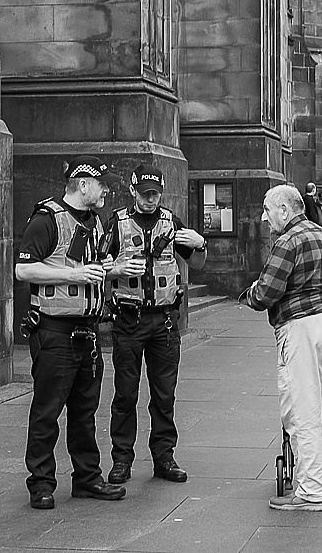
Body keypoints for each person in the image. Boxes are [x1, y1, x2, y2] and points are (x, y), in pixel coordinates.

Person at [15, 155, 127, 510]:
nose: (107, 190)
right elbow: (23, 270)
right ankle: (41, 484)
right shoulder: (47, 219)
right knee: (47, 411)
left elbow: (84, 266)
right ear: (83, 184)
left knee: (85, 411)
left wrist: (109, 269)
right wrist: (75, 276)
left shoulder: (95, 222)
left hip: (88, 332)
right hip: (54, 332)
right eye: (102, 184)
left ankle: (87, 478)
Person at [244, 185, 322, 511]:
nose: (264, 218)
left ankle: (310, 493)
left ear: (285, 211)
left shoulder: (288, 240)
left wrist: (247, 293)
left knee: (304, 416)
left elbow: (266, 293)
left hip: (306, 330)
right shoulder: (320, 233)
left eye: (267, 210)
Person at [104, 164, 206, 486]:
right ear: (133, 191)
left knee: (164, 395)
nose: (151, 200)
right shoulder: (116, 224)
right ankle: (122, 460)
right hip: (129, 322)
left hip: (163, 322)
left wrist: (200, 243)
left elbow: (197, 263)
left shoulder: (171, 223)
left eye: (156, 194)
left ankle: (164, 457)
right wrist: (116, 268)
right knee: (125, 395)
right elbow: (97, 267)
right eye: (146, 194)